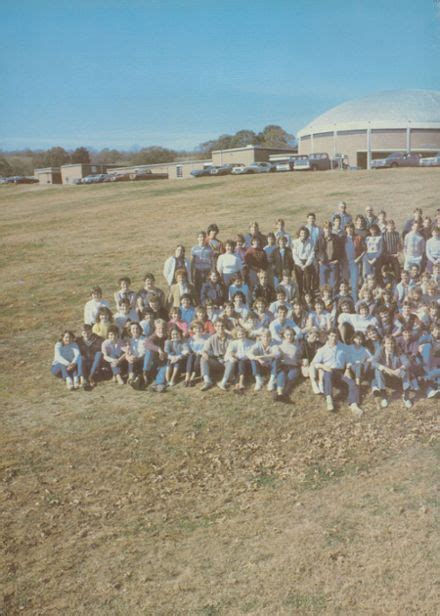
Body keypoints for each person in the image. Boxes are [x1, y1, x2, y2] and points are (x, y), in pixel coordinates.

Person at [310, 330, 362, 416]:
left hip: (340, 373)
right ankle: (329, 399)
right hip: (328, 372)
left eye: (336, 336)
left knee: (352, 384)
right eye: (332, 336)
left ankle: (353, 405)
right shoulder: (322, 349)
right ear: (328, 336)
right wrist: (323, 366)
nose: (334, 338)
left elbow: (349, 360)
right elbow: (314, 363)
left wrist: (348, 369)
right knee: (328, 373)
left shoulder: (343, 347)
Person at [371, 335, 412, 409]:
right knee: (378, 370)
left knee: (405, 370)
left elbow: (407, 362)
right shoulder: (380, 350)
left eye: (392, 343)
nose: (390, 346)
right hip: (386, 376)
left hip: (397, 376)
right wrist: (384, 368)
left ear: (394, 344)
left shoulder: (398, 350)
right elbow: (373, 362)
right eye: (388, 343)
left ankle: (406, 397)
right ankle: (384, 397)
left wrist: (399, 369)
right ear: (384, 344)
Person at [200, 318, 231, 391]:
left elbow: (234, 351)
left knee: (231, 361)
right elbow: (204, 350)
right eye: (218, 326)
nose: (220, 328)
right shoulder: (211, 338)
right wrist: (205, 353)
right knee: (203, 358)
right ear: (215, 327)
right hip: (217, 362)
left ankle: (223, 382)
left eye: (222, 326)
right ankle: (207, 381)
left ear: (225, 327)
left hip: (227, 362)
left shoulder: (230, 338)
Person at [219, 325, 253, 392]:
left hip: (247, 362)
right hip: (238, 362)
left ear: (245, 334)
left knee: (242, 362)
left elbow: (252, 352)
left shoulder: (250, 342)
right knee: (238, 363)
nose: (241, 336)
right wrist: (232, 356)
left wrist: (238, 355)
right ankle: (237, 385)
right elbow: (228, 353)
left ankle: (240, 383)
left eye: (243, 334)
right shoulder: (234, 343)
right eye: (239, 335)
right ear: (237, 336)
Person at [276, 327, 303, 401]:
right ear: (284, 335)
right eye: (287, 335)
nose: (289, 336)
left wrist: (300, 361)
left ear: (294, 335)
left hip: (294, 366)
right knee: (281, 375)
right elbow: (277, 355)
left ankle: (285, 394)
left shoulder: (297, 345)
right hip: (284, 365)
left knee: (290, 378)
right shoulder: (280, 345)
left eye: (291, 335)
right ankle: (279, 393)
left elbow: (300, 355)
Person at [144, 319, 169, 392]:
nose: (161, 330)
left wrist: (164, 354)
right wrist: (159, 349)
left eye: (163, 328)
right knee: (149, 351)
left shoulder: (167, 336)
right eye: (159, 328)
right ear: (155, 328)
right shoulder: (153, 336)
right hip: (153, 362)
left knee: (165, 366)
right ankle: (146, 373)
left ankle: (158, 384)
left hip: (164, 360)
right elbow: (147, 344)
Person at [76, 324, 103, 388]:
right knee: (80, 357)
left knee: (99, 354)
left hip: (94, 362)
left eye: (88, 332)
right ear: (81, 333)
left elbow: (102, 349)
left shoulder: (98, 339)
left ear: (91, 332)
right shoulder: (78, 341)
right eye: (84, 333)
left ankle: (91, 376)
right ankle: (84, 378)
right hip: (84, 362)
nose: (86, 334)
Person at [344, 223, 365, 302]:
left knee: (354, 285)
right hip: (345, 264)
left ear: (353, 229)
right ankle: (345, 302)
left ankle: (355, 302)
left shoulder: (358, 238)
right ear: (345, 229)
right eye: (347, 228)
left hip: (355, 263)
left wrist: (358, 259)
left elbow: (364, 250)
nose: (349, 229)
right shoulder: (343, 239)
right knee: (344, 285)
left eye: (351, 228)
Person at [292, 226, 316, 296]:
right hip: (298, 263)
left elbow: (312, 254)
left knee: (308, 281)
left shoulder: (311, 242)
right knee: (299, 281)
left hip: (307, 263)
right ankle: (300, 295)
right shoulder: (295, 242)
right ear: (299, 233)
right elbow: (294, 255)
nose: (303, 234)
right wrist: (301, 265)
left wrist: (306, 264)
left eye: (304, 233)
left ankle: (307, 295)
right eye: (301, 233)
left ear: (307, 234)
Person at [191, 231, 214, 298]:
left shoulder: (209, 248)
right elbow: (192, 262)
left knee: (207, 288)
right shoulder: (194, 248)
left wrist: (212, 272)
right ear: (197, 238)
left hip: (207, 272)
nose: (202, 238)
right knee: (198, 288)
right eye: (200, 237)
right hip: (198, 272)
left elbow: (212, 261)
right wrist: (192, 273)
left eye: (204, 237)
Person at [186, 320, 208, 386]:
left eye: (199, 328)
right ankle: (187, 377)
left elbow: (207, 348)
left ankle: (192, 377)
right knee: (191, 356)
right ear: (192, 329)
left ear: (202, 329)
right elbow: (189, 350)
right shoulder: (190, 339)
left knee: (198, 357)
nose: (197, 330)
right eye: (195, 328)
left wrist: (201, 352)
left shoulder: (206, 337)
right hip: (193, 356)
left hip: (202, 355)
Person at [125, 322, 146, 386]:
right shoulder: (129, 340)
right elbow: (127, 353)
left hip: (142, 360)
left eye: (137, 328)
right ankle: (132, 378)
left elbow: (146, 354)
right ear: (130, 331)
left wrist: (138, 358)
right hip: (133, 360)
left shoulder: (144, 339)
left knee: (135, 361)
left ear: (140, 329)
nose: (135, 330)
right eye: (133, 329)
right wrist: (128, 358)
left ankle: (135, 379)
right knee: (131, 359)